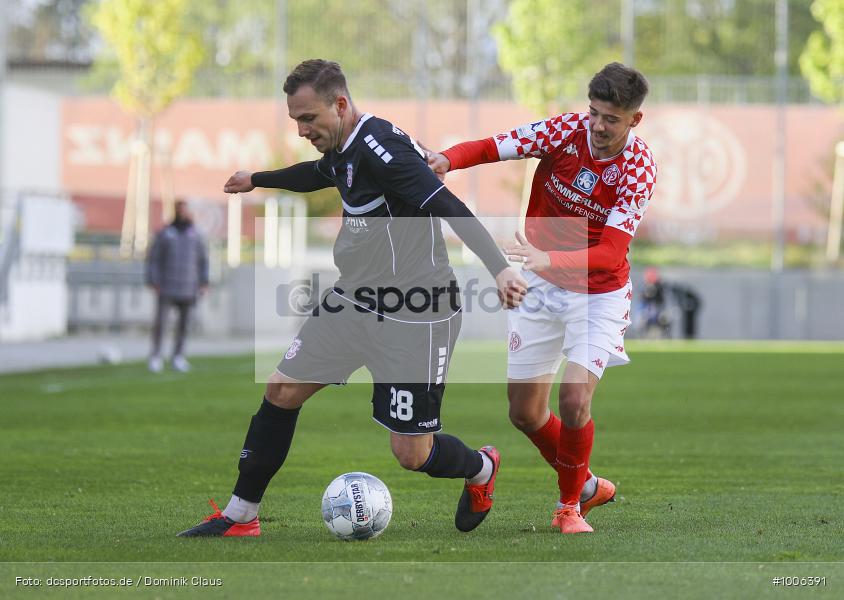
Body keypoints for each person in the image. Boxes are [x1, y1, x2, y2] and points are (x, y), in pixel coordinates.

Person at [178, 59, 527, 537]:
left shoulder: (382, 149)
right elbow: (319, 173)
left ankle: (481, 468)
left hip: (416, 312)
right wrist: (258, 179)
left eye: (309, 119)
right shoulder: (345, 144)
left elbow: (447, 204)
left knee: (412, 454)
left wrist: (500, 268)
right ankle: (241, 516)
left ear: (340, 104)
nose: (302, 129)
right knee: (281, 390)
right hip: (354, 299)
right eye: (296, 120)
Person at [428, 62, 657, 534]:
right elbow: (494, 146)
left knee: (574, 400)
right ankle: (587, 483)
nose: (597, 126)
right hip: (541, 283)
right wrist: (447, 160)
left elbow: (613, 249)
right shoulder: (562, 131)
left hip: (598, 293)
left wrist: (546, 258)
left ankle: (568, 506)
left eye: (611, 119)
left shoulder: (639, 167)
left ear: (634, 120)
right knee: (525, 412)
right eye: (594, 113)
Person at [146, 200, 209, 373]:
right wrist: (153, 280)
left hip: (189, 287)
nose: (184, 213)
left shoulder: (195, 234)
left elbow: (203, 260)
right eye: (180, 210)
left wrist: (204, 281)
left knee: (183, 325)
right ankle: (156, 356)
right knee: (161, 324)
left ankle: (178, 357)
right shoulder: (166, 233)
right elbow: (154, 259)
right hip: (167, 286)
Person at [640, 267, 670, 338]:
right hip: (649, 309)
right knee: (644, 320)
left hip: (658, 307)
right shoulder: (645, 286)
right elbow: (644, 298)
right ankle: (645, 336)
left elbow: (662, 299)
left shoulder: (660, 286)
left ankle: (664, 335)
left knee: (663, 319)